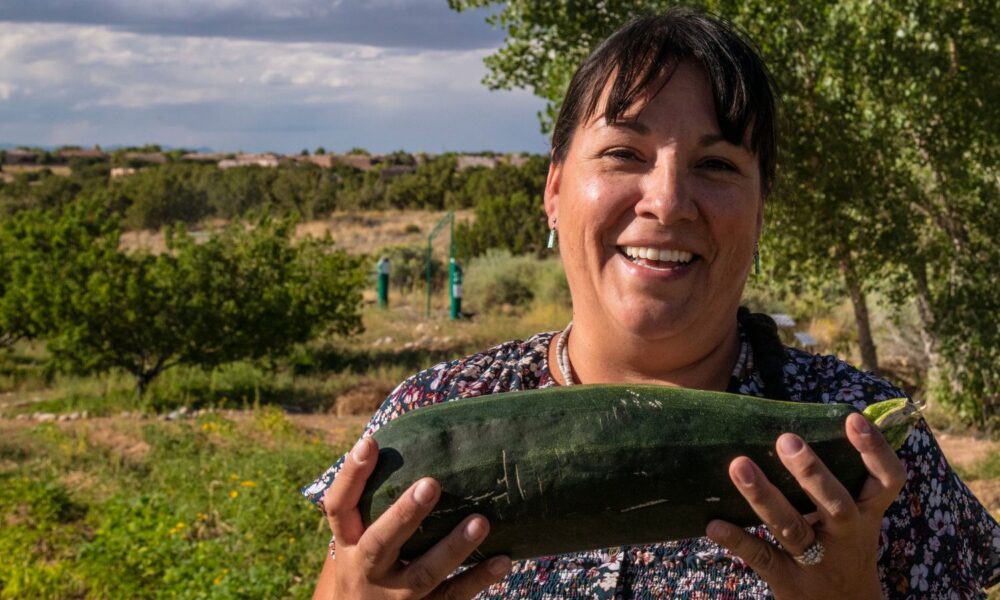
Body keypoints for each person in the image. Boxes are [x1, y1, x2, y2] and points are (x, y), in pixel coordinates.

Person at [303, 8, 1000, 599]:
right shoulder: (426, 418)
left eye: (717, 165)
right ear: (552, 190)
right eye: (622, 154)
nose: (666, 202)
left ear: (761, 212)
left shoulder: (873, 462)